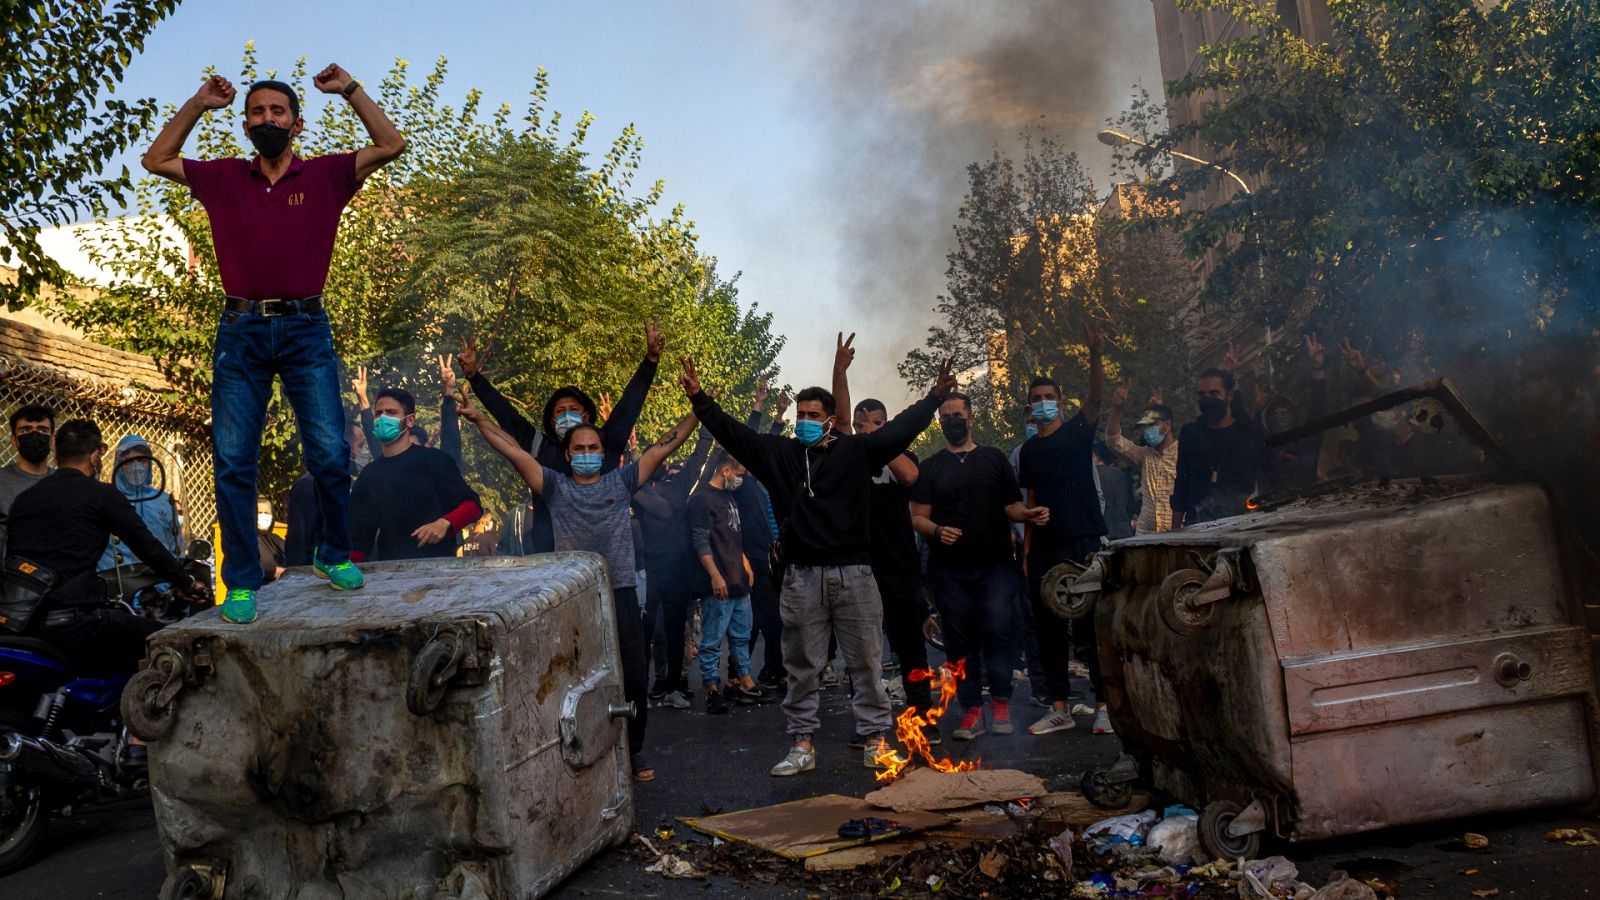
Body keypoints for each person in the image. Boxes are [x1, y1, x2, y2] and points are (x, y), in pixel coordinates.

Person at [142, 65, 405, 622]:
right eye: (257, 112)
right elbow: (156, 159)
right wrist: (197, 102)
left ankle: (331, 554)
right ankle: (241, 581)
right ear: (245, 125)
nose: (267, 118)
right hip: (241, 331)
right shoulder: (222, 178)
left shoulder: (328, 175)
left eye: (276, 111)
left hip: (307, 327)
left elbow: (391, 143)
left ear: (297, 123)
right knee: (235, 460)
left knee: (331, 453)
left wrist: (352, 90)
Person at [680, 352, 957, 776]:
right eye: (800, 414)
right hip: (801, 576)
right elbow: (734, 434)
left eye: (813, 414)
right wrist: (700, 400)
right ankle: (802, 743)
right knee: (803, 666)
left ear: (830, 419)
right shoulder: (781, 455)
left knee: (865, 661)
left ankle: (875, 740)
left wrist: (935, 398)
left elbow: (900, 429)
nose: (804, 420)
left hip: (856, 575)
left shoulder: (857, 452)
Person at [457, 388, 699, 785]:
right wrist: (479, 419)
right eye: (579, 447)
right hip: (574, 596)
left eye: (593, 446)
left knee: (635, 678)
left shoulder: (621, 483)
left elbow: (661, 447)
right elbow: (514, 451)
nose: (587, 451)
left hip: (618, 591)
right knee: (574, 677)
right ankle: (579, 750)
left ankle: (632, 751)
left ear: (603, 452)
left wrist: (700, 410)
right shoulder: (554, 486)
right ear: (568, 455)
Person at [4, 420, 209, 673]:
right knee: (171, 641)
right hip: (77, 622)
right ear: (94, 457)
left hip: (23, 623)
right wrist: (187, 583)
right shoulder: (101, 495)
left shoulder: (24, 500)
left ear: (56, 456)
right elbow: (149, 548)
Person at [911, 392, 1049, 741]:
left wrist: (1028, 514)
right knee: (959, 640)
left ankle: (1001, 702)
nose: (951, 421)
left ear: (970, 418)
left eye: (957, 414)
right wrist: (938, 531)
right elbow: (918, 518)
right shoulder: (931, 467)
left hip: (996, 566)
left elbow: (1012, 506)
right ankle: (971, 710)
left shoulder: (994, 459)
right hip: (948, 571)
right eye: (945, 416)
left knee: (999, 627)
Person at [456, 323, 664, 553]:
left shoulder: (607, 441)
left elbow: (630, 404)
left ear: (586, 415)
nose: (567, 414)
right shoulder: (538, 445)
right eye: (560, 410)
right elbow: (506, 414)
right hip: (553, 557)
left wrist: (650, 361)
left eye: (574, 408)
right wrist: (475, 377)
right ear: (552, 419)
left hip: (607, 555)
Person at [1018, 322, 1108, 736]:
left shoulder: (1076, 432)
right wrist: (1026, 553)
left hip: (1084, 540)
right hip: (1045, 549)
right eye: (1036, 399)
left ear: (1059, 401)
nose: (1042, 404)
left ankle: (1105, 705)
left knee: (1092, 626)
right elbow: (1032, 500)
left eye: (1049, 398)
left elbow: (1096, 398)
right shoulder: (1029, 451)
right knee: (1050, 628)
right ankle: (1059, 706)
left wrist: (1094, 354)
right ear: (1030, 408)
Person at [348, 388, 482, 562]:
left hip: (439, 573)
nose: (383, 419)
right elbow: (359, 542)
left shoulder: (435, 461)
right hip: (391, 574)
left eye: (391, 413)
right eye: (378, 413)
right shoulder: (368, 475)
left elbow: (472, 506)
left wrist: (445, 523)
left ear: (410, 420)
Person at [633, 429, 713, 709]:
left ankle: (672, 689)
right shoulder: (637, 489)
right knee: (644, 631)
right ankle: (640, 689)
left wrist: (705, 427)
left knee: (676, 629)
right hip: (649, 571)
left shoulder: (675, 486)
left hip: (676, 571)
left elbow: (698, 457)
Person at [688, 450, 768, 714]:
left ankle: (745, 679)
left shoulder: (728, 497)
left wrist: (744, 562)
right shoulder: (702, 500)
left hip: (738, 579)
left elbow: (733, 535)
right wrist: (715, 575)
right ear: (726, 471)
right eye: (739, 473)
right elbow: (700, 542)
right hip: (720, 581)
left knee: (741, 635)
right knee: (712, 639)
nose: (741, 478)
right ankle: (711, 688)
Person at [1170, 367, 1272, 527]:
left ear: (1229, 395)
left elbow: (1265, 477)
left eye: (1214, 393)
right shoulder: (1190, 434)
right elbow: (1182, 482)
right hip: (1198, 523)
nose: (1207, 399)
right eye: (1202, 395)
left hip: (1243, 522)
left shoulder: (1248, 433)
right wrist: (1174, 531)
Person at [98, 436, 184, 574]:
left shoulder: (164, 501)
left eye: (142, 460)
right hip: (118, 583)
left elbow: (176, 547)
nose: (136, 467)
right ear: (118, 464)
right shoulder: (106, 499)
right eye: (128, 461)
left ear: (150, 463)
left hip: (159, 583)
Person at [1104, 386, 1180, 535]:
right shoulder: (1144, 455)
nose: (1147, 431)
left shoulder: (1184, 453)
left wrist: (1160, 408)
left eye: (1152, 425)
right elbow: (1113, 440)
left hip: (1178, 531)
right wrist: (1116, 409)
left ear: (1168, 425)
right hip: (1146, 533)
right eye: (1144, 427)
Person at [0, 404, 55, 551]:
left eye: (42, 430)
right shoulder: (2, 482)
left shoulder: (65, 483)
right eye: (26, 430)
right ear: (13, 440)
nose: (34, 435)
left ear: (52, 439)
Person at [257, 498, 287, 583]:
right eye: (259, 513)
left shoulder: (276, 539)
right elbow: (267, 569)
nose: (263, 516)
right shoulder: (250, 539)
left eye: (266, 513)